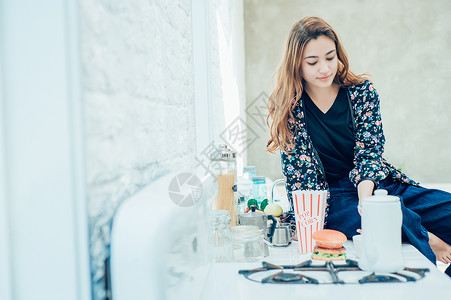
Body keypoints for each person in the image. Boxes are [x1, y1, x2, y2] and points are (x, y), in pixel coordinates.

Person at [266, 16, 451, 274]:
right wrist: (307, 223)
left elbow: (370, 152)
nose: (324, 69)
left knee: (433, 210)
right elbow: (301, 179)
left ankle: (411, 229)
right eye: (313, 62)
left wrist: (368, 199)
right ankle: (427, 239)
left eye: (330, 57)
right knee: (383, 218)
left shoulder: (361, 92)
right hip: (331, 201)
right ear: (296, 63)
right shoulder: (289, 108)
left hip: (375, 185)